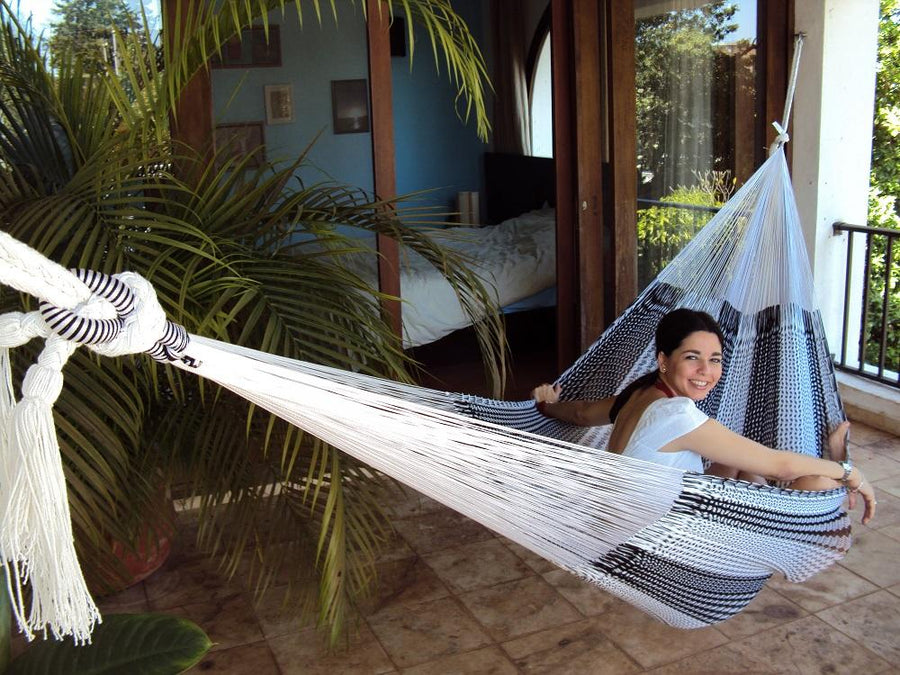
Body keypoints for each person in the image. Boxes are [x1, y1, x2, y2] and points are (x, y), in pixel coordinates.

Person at [532, 308, 877, 524]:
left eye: (714, 359)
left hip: (643, 508)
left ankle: (828, 472)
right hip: (668, 531)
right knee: (819, 485)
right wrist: (850, 472)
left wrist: (546, 406)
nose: (706, 371)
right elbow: (781, 466)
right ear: (664, 360)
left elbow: (579, 413)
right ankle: (835, 465)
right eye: (692, 357)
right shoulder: (675, 414)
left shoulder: (638, 392)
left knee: (746, 463)